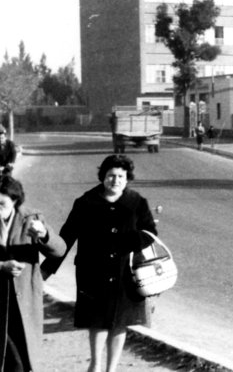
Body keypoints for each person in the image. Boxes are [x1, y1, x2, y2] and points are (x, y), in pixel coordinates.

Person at [42, 155, 157, 372]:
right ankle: (95, 365)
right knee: (98, 320)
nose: (115, 180)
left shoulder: (137, 202)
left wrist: (127, 240)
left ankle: (111, 369)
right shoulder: (85, 203)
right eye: (111, 176)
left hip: (125, 273)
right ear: (102, 177)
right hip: (93, 272)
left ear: (127, 178)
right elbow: (66, 239)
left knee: (120, 321)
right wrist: (45, 271)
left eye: (121, 176)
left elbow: (150, 233)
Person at [0, 175, 66, 372]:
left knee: (22, 355)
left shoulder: (31, 218)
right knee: (11, 361)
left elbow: (60, 250)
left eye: (2, 204)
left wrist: (44, 235)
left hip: (23, 302)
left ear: (15, 201)